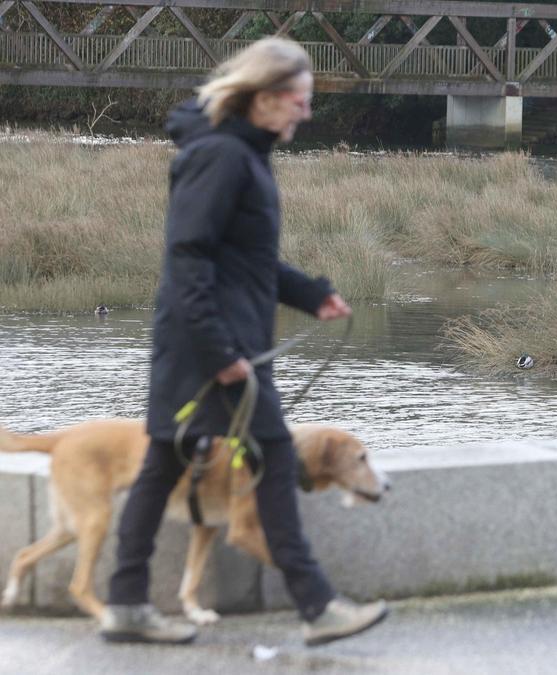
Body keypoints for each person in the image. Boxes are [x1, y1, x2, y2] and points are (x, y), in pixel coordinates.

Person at [100, 37, 387, 647]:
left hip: (213, 346)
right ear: (263, 97)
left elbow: (245, 262)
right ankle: (317, 606)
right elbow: (187, 260)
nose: (306, 114)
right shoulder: (222, 157)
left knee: (163, 465)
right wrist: (220, 352)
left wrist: (311, 294)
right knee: (275, 457)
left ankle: (126, 604)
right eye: (299, 100)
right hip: (210, 351)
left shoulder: (244, 154)